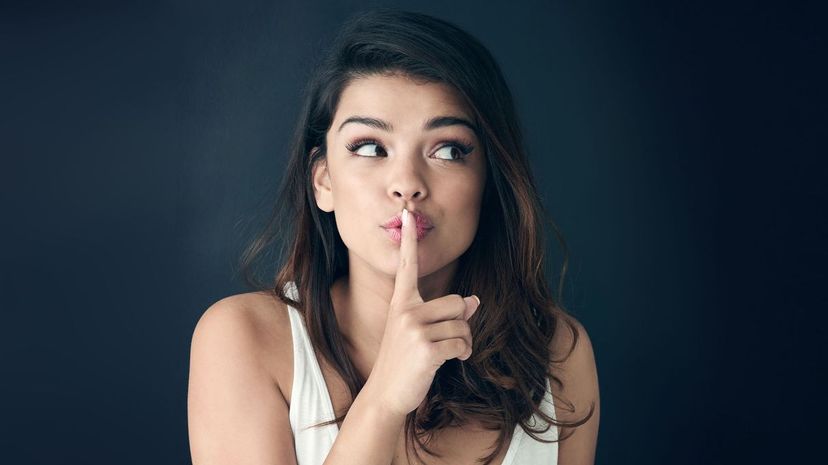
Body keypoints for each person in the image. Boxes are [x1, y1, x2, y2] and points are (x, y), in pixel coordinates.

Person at [187, 8, 599, 465]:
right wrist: (383, 400)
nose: (407, 183)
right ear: (323, 181)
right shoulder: (244, 338)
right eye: (370, 147)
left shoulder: (557, 353)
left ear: (489, 179)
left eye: (448, 150)